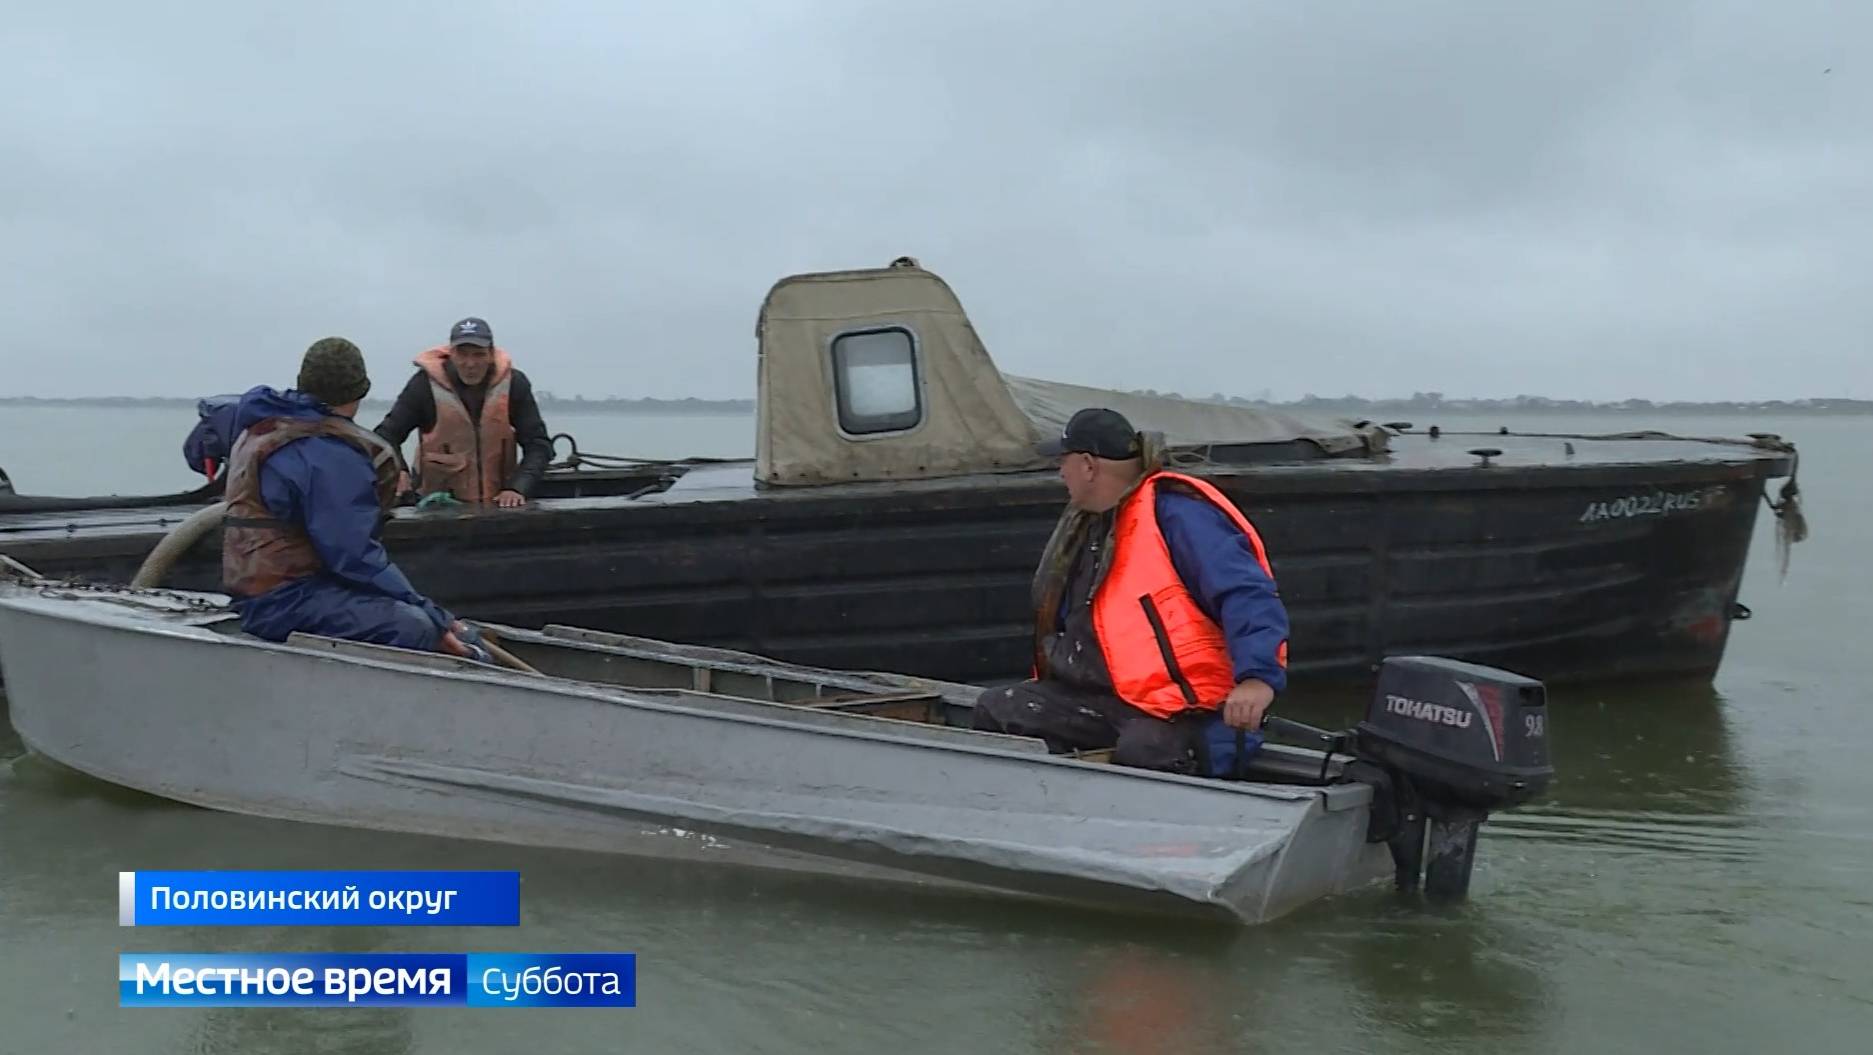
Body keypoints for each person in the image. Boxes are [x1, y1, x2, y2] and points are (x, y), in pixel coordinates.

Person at [971, 407, 1290, 775]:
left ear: (1088, 465)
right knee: (999, 708)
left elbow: (1246, 594)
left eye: (1064, 461)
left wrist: (1256, 680)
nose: (1060, 472)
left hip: (1181, 710)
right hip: (1104, 700)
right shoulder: (1091, 528)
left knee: (1145, 751)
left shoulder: (1177, 516)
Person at [213, 337, 494, 663]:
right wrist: (435, 617)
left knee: (416, 615)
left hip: (263, 594)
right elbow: (353, 557)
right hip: (285, 603)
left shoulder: (263, 426)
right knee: (413, 626)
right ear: (359, 392)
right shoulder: (328, 454)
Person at [372, 316, 552, 509]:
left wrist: (518, 488)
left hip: (499, 504)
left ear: (491, 354)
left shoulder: (514, 384)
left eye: (478, 355)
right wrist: (399, 471)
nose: (470, 363)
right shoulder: (423, 386)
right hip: (437, 506)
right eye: (462, 354)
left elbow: (539, 445)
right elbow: (385, 437)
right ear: (451, 354)